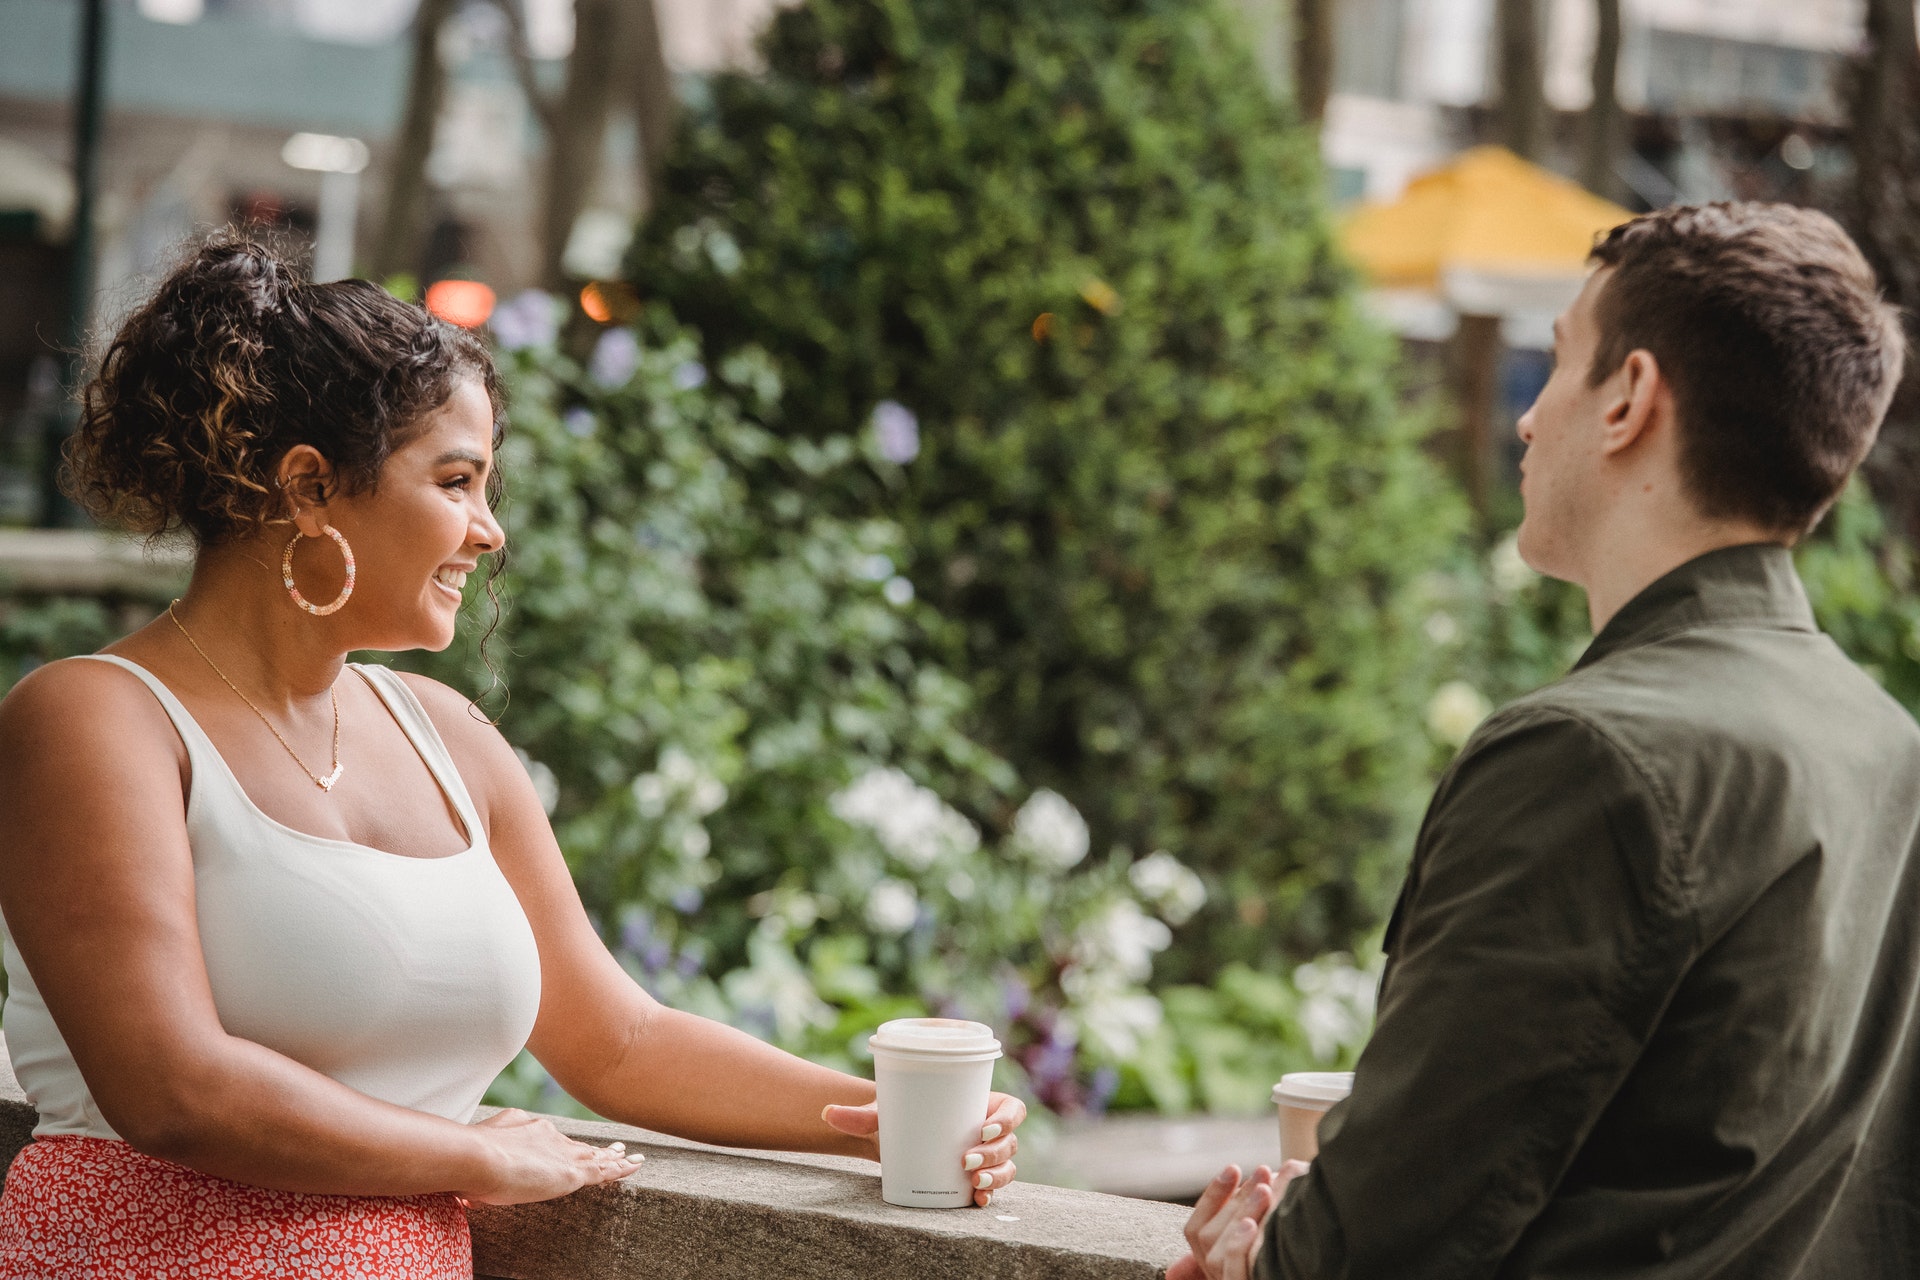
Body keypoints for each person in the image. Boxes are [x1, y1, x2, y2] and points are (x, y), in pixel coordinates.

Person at [0, 236, 1025, 1277]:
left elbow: (616, 1038)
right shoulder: (93, 720)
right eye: (457, 481)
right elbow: (173, 1088)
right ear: (310, 486)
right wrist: (471, 1153)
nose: (488, 531)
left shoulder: (450, 740)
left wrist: (885, 1116)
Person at [1176, 202, 1919, 1279]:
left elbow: (1370, 1249)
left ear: (1630, 398)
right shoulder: (1888, 743)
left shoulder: (1591, 757)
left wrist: (1263, 1250)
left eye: (1557, 361)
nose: (1527, 417)